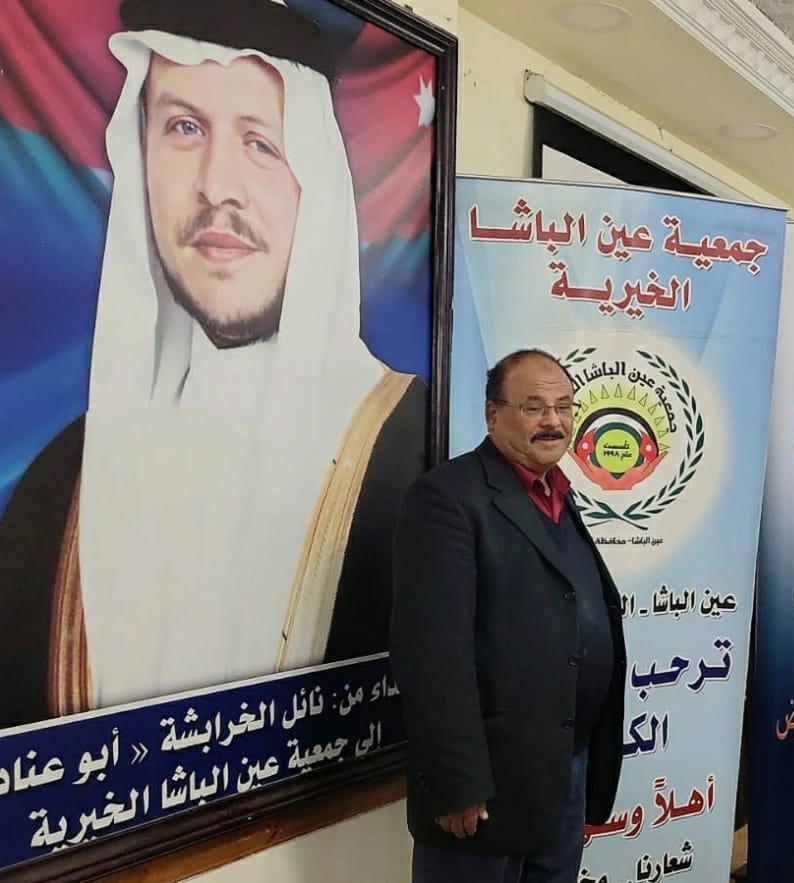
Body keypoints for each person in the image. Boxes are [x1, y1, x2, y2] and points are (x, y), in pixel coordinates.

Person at [0, 0, 425, 726]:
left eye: (260, 142)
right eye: (184, 128)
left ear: (315, 179)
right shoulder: (58, 486)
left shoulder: (413, 452)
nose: (216, 184)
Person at [391, 349, 627, 883]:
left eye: (563, 407)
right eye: (534, 407)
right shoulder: (447, 500)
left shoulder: (557, 496)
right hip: (487, 786)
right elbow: (431, 657)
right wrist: (457, 781)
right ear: (492, 415)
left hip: (562, 769)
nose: (553, 422)